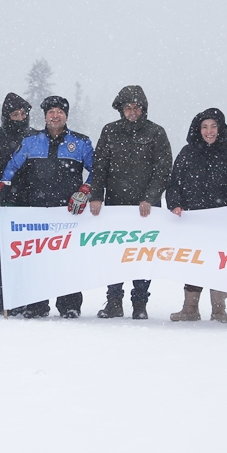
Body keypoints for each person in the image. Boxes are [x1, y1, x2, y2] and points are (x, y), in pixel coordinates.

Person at [0, 96, 94, 318]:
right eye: (51, 112)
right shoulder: (31, 141)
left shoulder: (81, 142)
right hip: (37, 211)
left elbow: (97, 171)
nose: (55, 115)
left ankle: (69, 304)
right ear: (44, 116)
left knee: (67, 260)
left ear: (66, 116)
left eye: (60, 111)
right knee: (37, 260)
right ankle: (36, 304)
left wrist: (85, 190)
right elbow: (12, 167)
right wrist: (3, 185)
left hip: (69, 212)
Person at [88, 85, 173, 319]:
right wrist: (96, 197)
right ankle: (114, 301)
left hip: (146, 209)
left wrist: (150, 198)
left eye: (136, 107)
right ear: (121, 109)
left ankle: (140, 304)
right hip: (115, 206)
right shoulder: (110, 132)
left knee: (142, 256)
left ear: (143, 109)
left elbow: (163, 168)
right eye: (128, 107)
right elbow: (100, 166)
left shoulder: (156, 133)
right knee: (115, 255)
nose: (132, 111)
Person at [166, 108, 227, 322]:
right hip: (193, 218)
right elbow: (174, 183)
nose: (209, 131)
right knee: (194, 262)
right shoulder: (187, 152)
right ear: (197, 129)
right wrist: (174, 203)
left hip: (222, 219)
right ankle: (190, 308)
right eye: (204, 127)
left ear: (220, 128)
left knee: (218, 262)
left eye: (213, 126)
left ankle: (219, 309)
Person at [0, 93, 40, 314]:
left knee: (33, 253)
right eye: (15, 114)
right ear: (7, 116)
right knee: (6, 255)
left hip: (33, 204)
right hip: (5, 206)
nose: (20, 118)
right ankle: (6, 301)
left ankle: (34, 301)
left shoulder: (36, 137)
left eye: (24, 114)